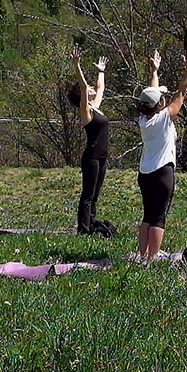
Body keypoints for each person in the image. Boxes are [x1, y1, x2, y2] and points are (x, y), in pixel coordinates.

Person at [136, 48, 187, 263]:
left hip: (145, 173)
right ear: (159, 105)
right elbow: (181, 93)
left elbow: (152, 94)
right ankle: (152, 259)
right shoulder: (163, 118)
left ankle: (143, 256)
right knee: (159, 217)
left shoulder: (144, 119)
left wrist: (155, 71)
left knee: (148, 215)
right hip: (163, 172)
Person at [69, 47, 109, 234]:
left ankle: (91, 226)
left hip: (102, 157)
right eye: (88, 90)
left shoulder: (97, 108)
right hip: (91, 157)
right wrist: (77, 66)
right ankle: (83, 230)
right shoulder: (87, 112)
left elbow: (100, 88)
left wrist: (101, 71)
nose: (92, 89)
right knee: (87, 194)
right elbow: (85, 87)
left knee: (95, 195)